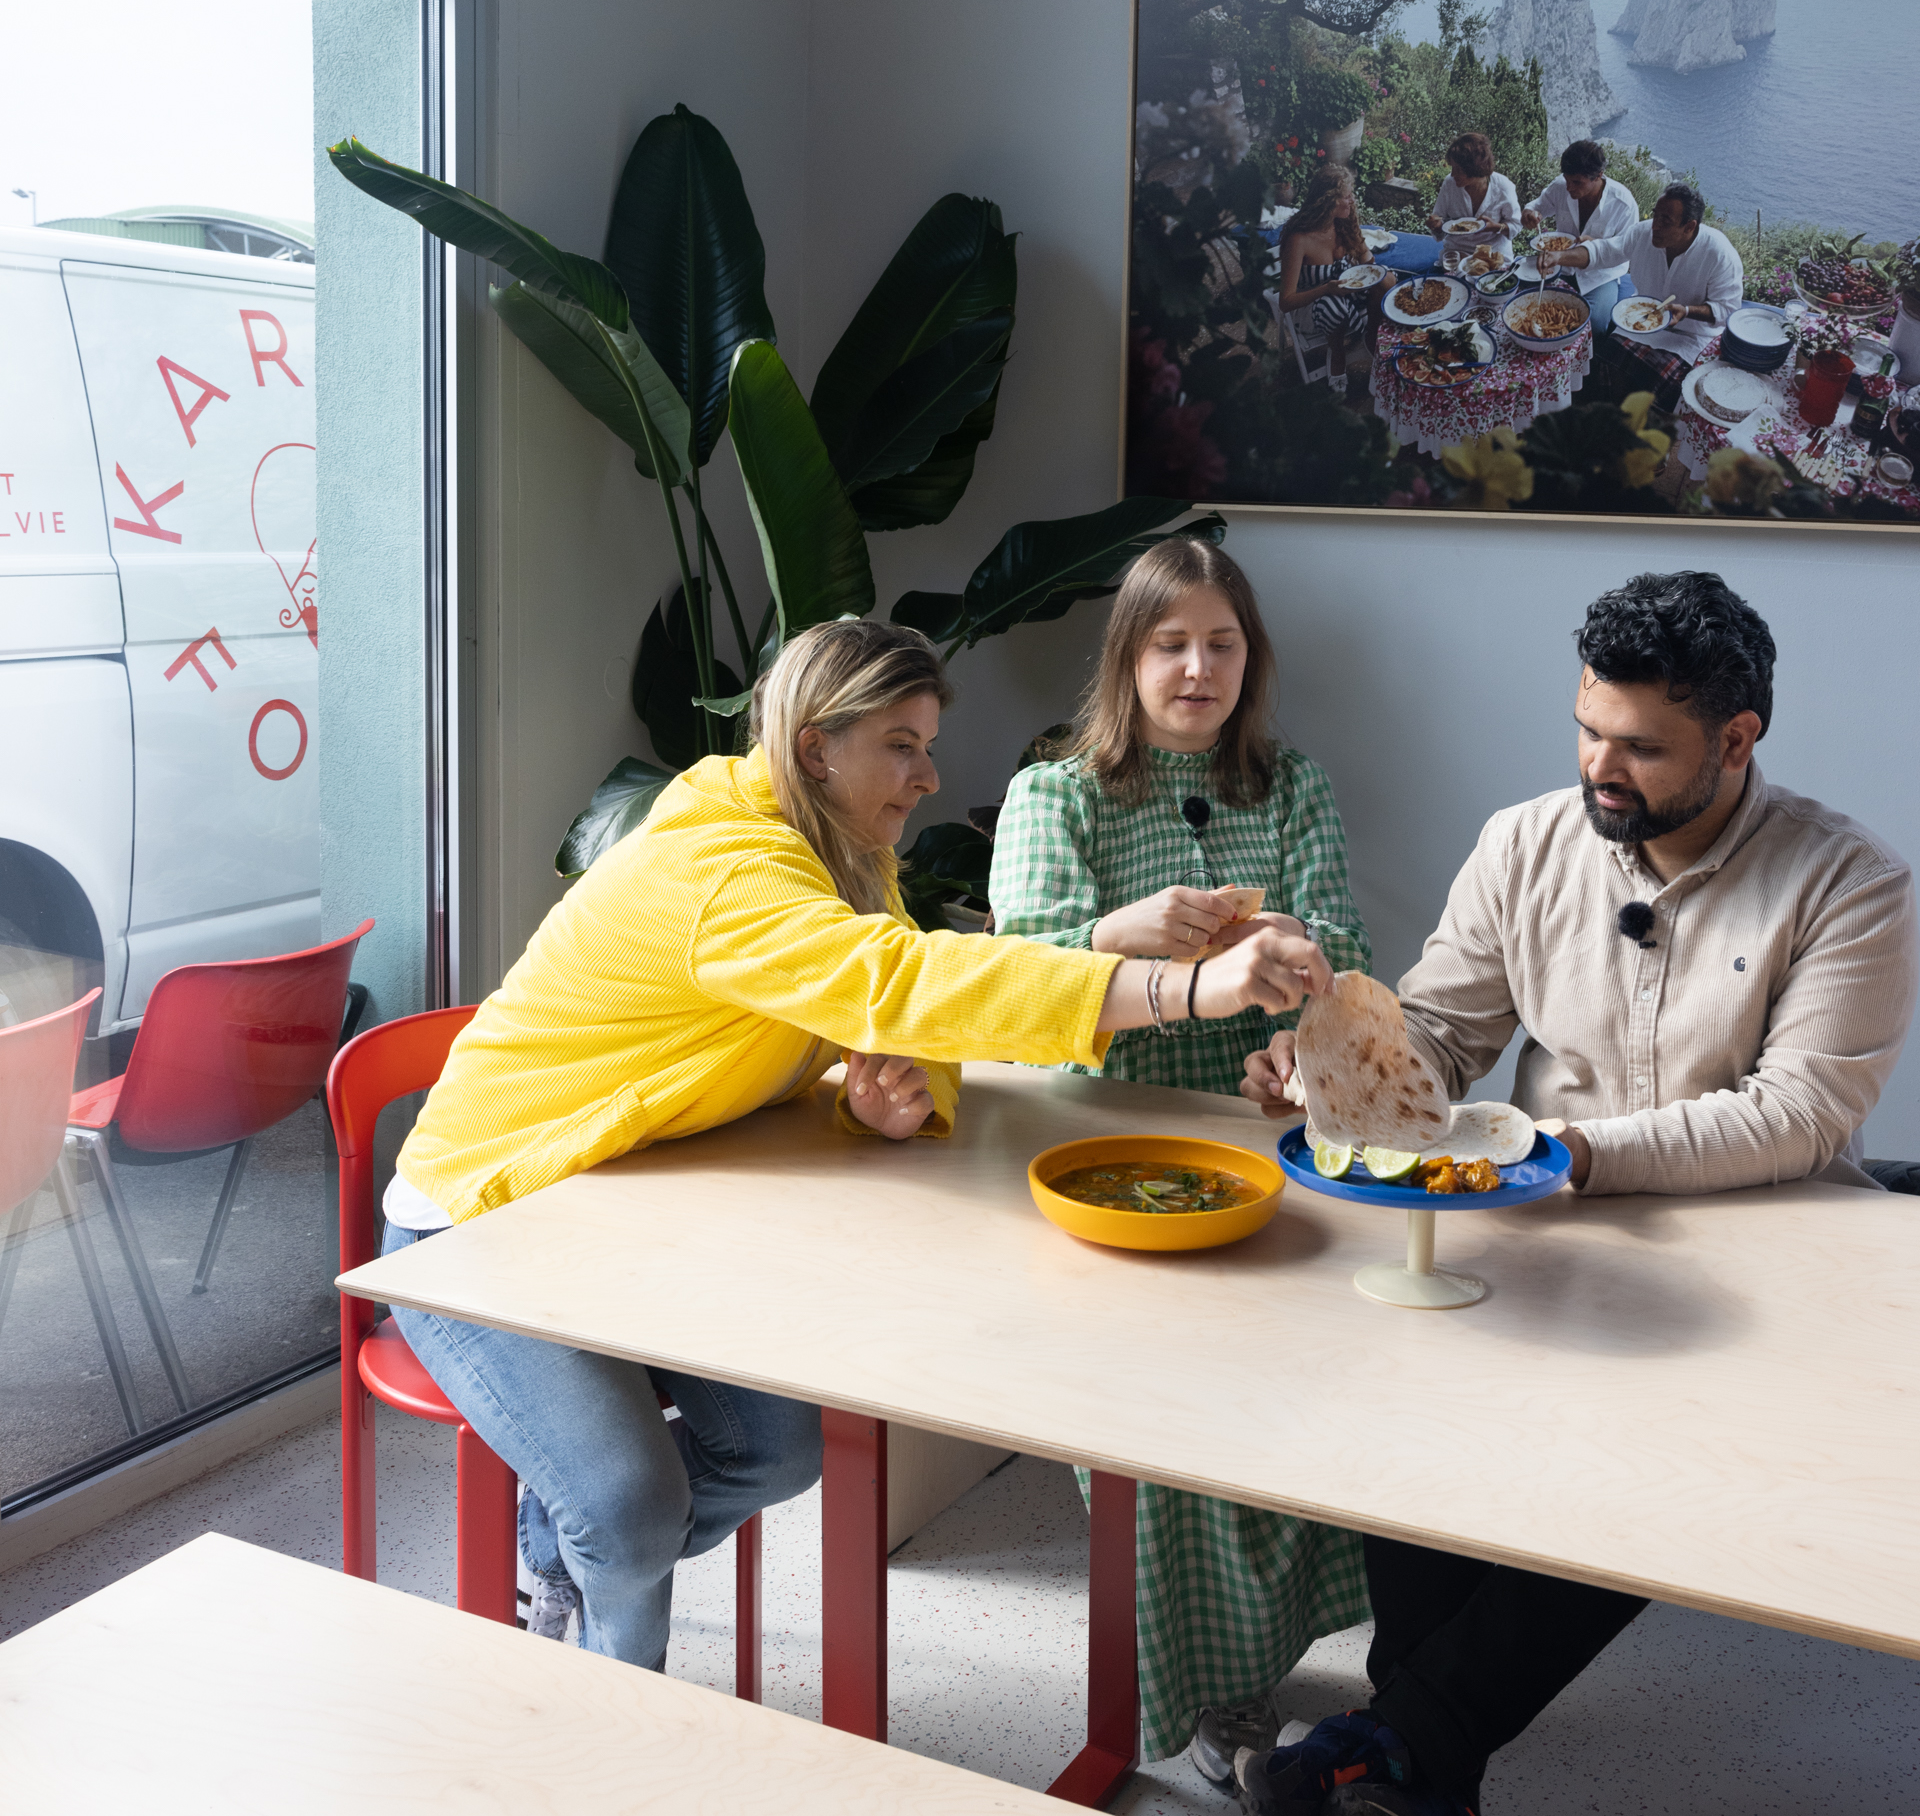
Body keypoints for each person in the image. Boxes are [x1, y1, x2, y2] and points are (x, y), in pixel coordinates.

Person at [382, 617, 1322, 1667]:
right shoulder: (721, 869)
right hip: (477, 1219)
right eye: (901, 745)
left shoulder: (841, 855)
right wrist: (1181, 989)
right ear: (816, 747)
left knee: (777, 1450)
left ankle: (570, 1549)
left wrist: (886, 1100)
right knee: (631, 1508)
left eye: (928, 745)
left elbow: (908, 1003)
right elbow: (902, 983)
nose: (929, 777)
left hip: (613, 1205)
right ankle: (605, 1679)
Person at [1234, 569, 1916, 1816]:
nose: (1600, 766)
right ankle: (1419, 1783)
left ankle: (1370, 1748)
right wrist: (1330, 1074)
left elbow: (1798, 1113)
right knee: (1412, 1427)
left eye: (1641, 747)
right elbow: (1439, 1037)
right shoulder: (1525, 842)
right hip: (1547, 1230)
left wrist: (1575, 1155)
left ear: (1737, 739)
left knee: (1660, 1482)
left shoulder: (1849, 880)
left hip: (1767, 1262)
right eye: (1586, 730)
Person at [990, 536, 1373, 1783]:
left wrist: (1293, 1040)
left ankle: (1252, 1675)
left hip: (1259, 1143)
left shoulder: (1291, 783)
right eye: (1170, 644)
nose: (1197, 669)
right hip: (1101, 1156)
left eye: (1221, 643)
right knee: (1160, 1450)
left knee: (1286, 1416)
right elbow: (1016, 980)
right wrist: (1124, 931)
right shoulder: (1054, 793)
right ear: (1126, 656)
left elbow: (1344, 950)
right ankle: (1206, 1698)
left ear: (1250, 659)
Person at [1621, 181, 1745, 361]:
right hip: (1641, 321)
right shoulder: (1642, 233)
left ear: (1689, 227)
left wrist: (1686, 311)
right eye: (1656, 215)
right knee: (1606, 359)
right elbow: (1606, 251)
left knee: (1656, 374)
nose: (1655, 226)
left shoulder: (1720, 254)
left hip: (1692, 338)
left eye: (1666, 221)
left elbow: (1728, 310)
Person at [1525, 137, 1640, 331]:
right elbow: (1538, 205)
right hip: (1560, 267)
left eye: (1577, 182)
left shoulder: (1623, 204)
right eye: (1567, 180)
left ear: (1599, 176)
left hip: (1600, 275)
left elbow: (1625, 250)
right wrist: (1529, 214)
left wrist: (1594, 244)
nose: (1569, 188)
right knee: (1533, 306)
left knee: (1595, 322)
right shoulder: (1560, 186)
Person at [1276, 165, 1373, 384]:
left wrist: (1357, 236)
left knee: (1388, 279)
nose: (1353, 200)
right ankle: (1338, 356)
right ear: (1329, 200)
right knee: (1333, 305)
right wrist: (1326, 289)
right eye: (1347, 196)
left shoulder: (1342, 224)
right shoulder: (1299, 239)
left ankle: (1372, 338)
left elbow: (1368, 262)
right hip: (1310, 306)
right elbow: (1286, 302)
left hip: (1344, 294)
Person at [1428, 130, 1522, 239]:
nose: (1453, 174)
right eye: (1452, 168)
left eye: (1458, 170)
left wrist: (1496, 227)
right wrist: (1436, 226)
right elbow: (1440, 221)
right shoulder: (1449, 183)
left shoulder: (1503, 187)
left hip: (1492, 248)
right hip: (1457, 247)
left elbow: (1516, 225)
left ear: (1474, 169)